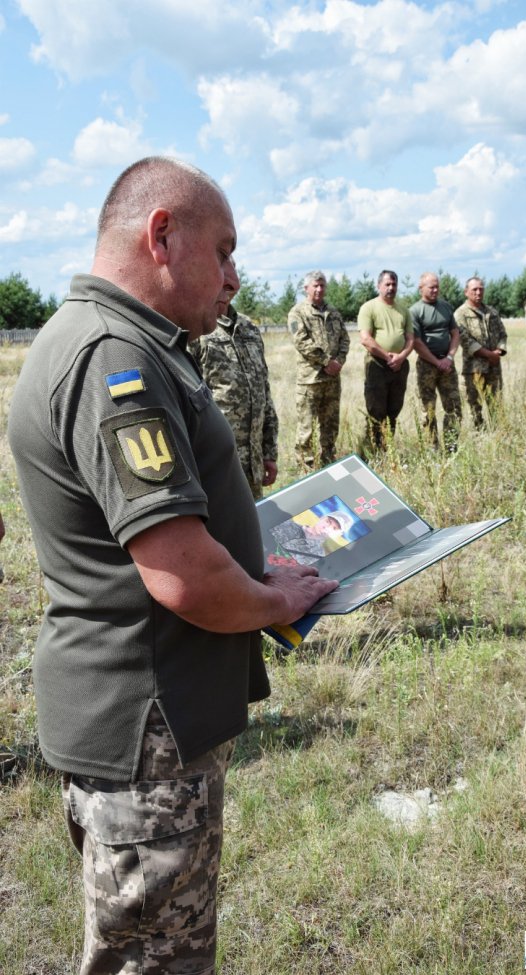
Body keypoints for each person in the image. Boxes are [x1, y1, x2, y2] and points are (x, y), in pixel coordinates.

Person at [7, 156, 337, 974]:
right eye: (223, 252)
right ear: (162, 235)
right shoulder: (117, 355)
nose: (233, 278)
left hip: (141, 717)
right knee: (157, 960)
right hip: (145, 726)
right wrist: (274, 595)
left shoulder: (116, 339)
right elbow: (182, 574)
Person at [191, 296, 279, 500]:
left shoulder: (248, 328)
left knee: (255, 522)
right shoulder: (197, 328)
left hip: (253, 464)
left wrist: (269, 452)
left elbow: (263, 392)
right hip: (216, 466)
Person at [287, 271, 350, 468]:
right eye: (315, 285)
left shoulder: (333, 312)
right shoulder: (298, 312)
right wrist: (326, 362)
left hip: (332, 381)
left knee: (330, 426)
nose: (319, 289)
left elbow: (345, 339)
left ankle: (328, 463)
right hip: (310, 380)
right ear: (306, 288)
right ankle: (306, 468)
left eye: (322, 285)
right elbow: (301, 341)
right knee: (307, 428)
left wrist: (338, 361)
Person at [358, 270, 414, 450]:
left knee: (393, 409)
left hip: (399, 366)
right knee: (376, 410)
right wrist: (387, 356)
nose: (391, 288)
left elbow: (411, 339)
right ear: (379, 285)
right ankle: (371, 451)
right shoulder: (369, 308)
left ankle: (386, 449)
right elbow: (366, 339)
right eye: (387, 284)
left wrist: (401, 356)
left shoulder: (403, 310)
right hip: (377, 365)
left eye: (394, 284)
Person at [410, 272, 462, 451]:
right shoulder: (415, 311)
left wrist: (449, 358)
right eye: (431, 287)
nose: (435, 290)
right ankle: (433, 448)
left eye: (437, 286)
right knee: (428, 410)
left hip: (447, 365)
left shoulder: (446, 307)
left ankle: (451, 447)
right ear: (421, 288)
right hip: (427, 366)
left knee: (454, 407)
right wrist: (435, 361)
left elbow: (455, 334)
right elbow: (416, 342)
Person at [455, 277, 508, 428]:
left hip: (494, 368)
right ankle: (479, 438)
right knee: (475, 408)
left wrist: (499, 350)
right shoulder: (460, 314)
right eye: (474, 290)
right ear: (466, 292)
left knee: (496, 405)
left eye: (481, 289)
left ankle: (498, 436)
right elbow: (465, 340)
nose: (478, 292)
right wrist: (489, 354)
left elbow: (502, 334)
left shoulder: (492, 312)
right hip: (474, 369)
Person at [270, 510, 354, 565]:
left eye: (334, 528)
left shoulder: (318, 555)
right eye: (328, 522)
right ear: (322, 518)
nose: (327, 527)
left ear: (338, 535)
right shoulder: (288, 524)